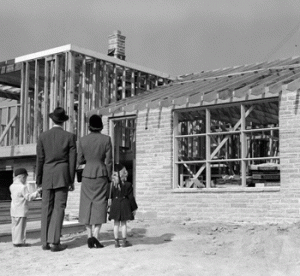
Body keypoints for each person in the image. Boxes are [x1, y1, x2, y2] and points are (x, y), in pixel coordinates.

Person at [36, 107, 77, 252]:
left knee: (46, 207)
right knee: (59, 207)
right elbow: (72, 160)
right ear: (63, 121)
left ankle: (45, 242)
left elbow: (40, 159)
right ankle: (54, 241)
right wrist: (71, 180)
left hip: (47, 174)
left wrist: (38, 180)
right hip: (62, 174)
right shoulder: (70, 137)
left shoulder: (42, 136)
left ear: (52, 119)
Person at [77, 114, 112, 248]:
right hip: (101, 174)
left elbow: (80, 160)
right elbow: (109, 161)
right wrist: (109, 177)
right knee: (99, 204)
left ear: (89, 126)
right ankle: (96, 236)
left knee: (86, 204)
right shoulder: (106, 139)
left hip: (87, 174)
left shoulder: (82, 140)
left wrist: (89, 159)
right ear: (101, 126)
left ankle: (89, 235)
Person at [108, 163, 138, 248]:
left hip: (115, 204)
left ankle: (116, 242)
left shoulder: (111, 185)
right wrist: (134, 208)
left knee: (116, 223)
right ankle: (124, 241)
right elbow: (131, 198)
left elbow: (108, 196)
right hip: (124, 203)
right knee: (124, 223)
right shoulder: (128, 184)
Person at [10, 168, 41, 247]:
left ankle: (15, 241)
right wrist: (37, 192)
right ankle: (20, 242)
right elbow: (29, 197)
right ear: (22, 177)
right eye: (26, 177)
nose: (26, 180)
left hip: (13, 210)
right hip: (21, 210)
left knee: (15, 226)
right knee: (21, 228)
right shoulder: (22, 187)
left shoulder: (12, 186)